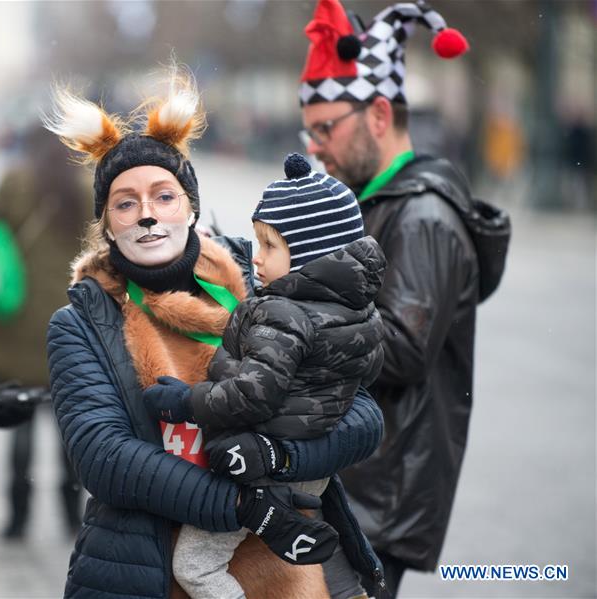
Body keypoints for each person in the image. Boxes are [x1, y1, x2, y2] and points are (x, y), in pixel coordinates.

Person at [44, 63, 388, 598]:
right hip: (151, 568)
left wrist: (277, 458)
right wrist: (243, 506)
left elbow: (361, 413)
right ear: (107, 224)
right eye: (126, 203)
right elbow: (105, 458)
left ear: (190, 206)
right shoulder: (82, 323)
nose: (147, 216)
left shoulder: (265, 282)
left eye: (163, 196)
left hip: (291, 568)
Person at [297, 0, 509, 595]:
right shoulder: (376, 200)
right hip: (357, 484)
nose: (314, 147)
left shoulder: (423, 218)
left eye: (326, 128)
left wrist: (292, 312)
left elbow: (402, 350)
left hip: (378, 502)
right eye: (308, 130)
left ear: (379, 114)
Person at [141, 152, 387, 599]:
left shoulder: (282, 312)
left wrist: (187, 402)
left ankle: (274, 521)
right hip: (315, 467)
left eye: (270, 246)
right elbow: (363, 380)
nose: (257, 258)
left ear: (309, 254)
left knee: (196, 567)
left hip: (259, 468)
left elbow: (252, 395)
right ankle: (284, 524)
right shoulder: (361, 312)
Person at [0, 125, 88, 539]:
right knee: (69, 430)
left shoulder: (14, 181)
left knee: (19, 427)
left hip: (17, 320)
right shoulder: (83, 186)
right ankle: (70, 514)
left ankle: (17, 517)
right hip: (68, 326)